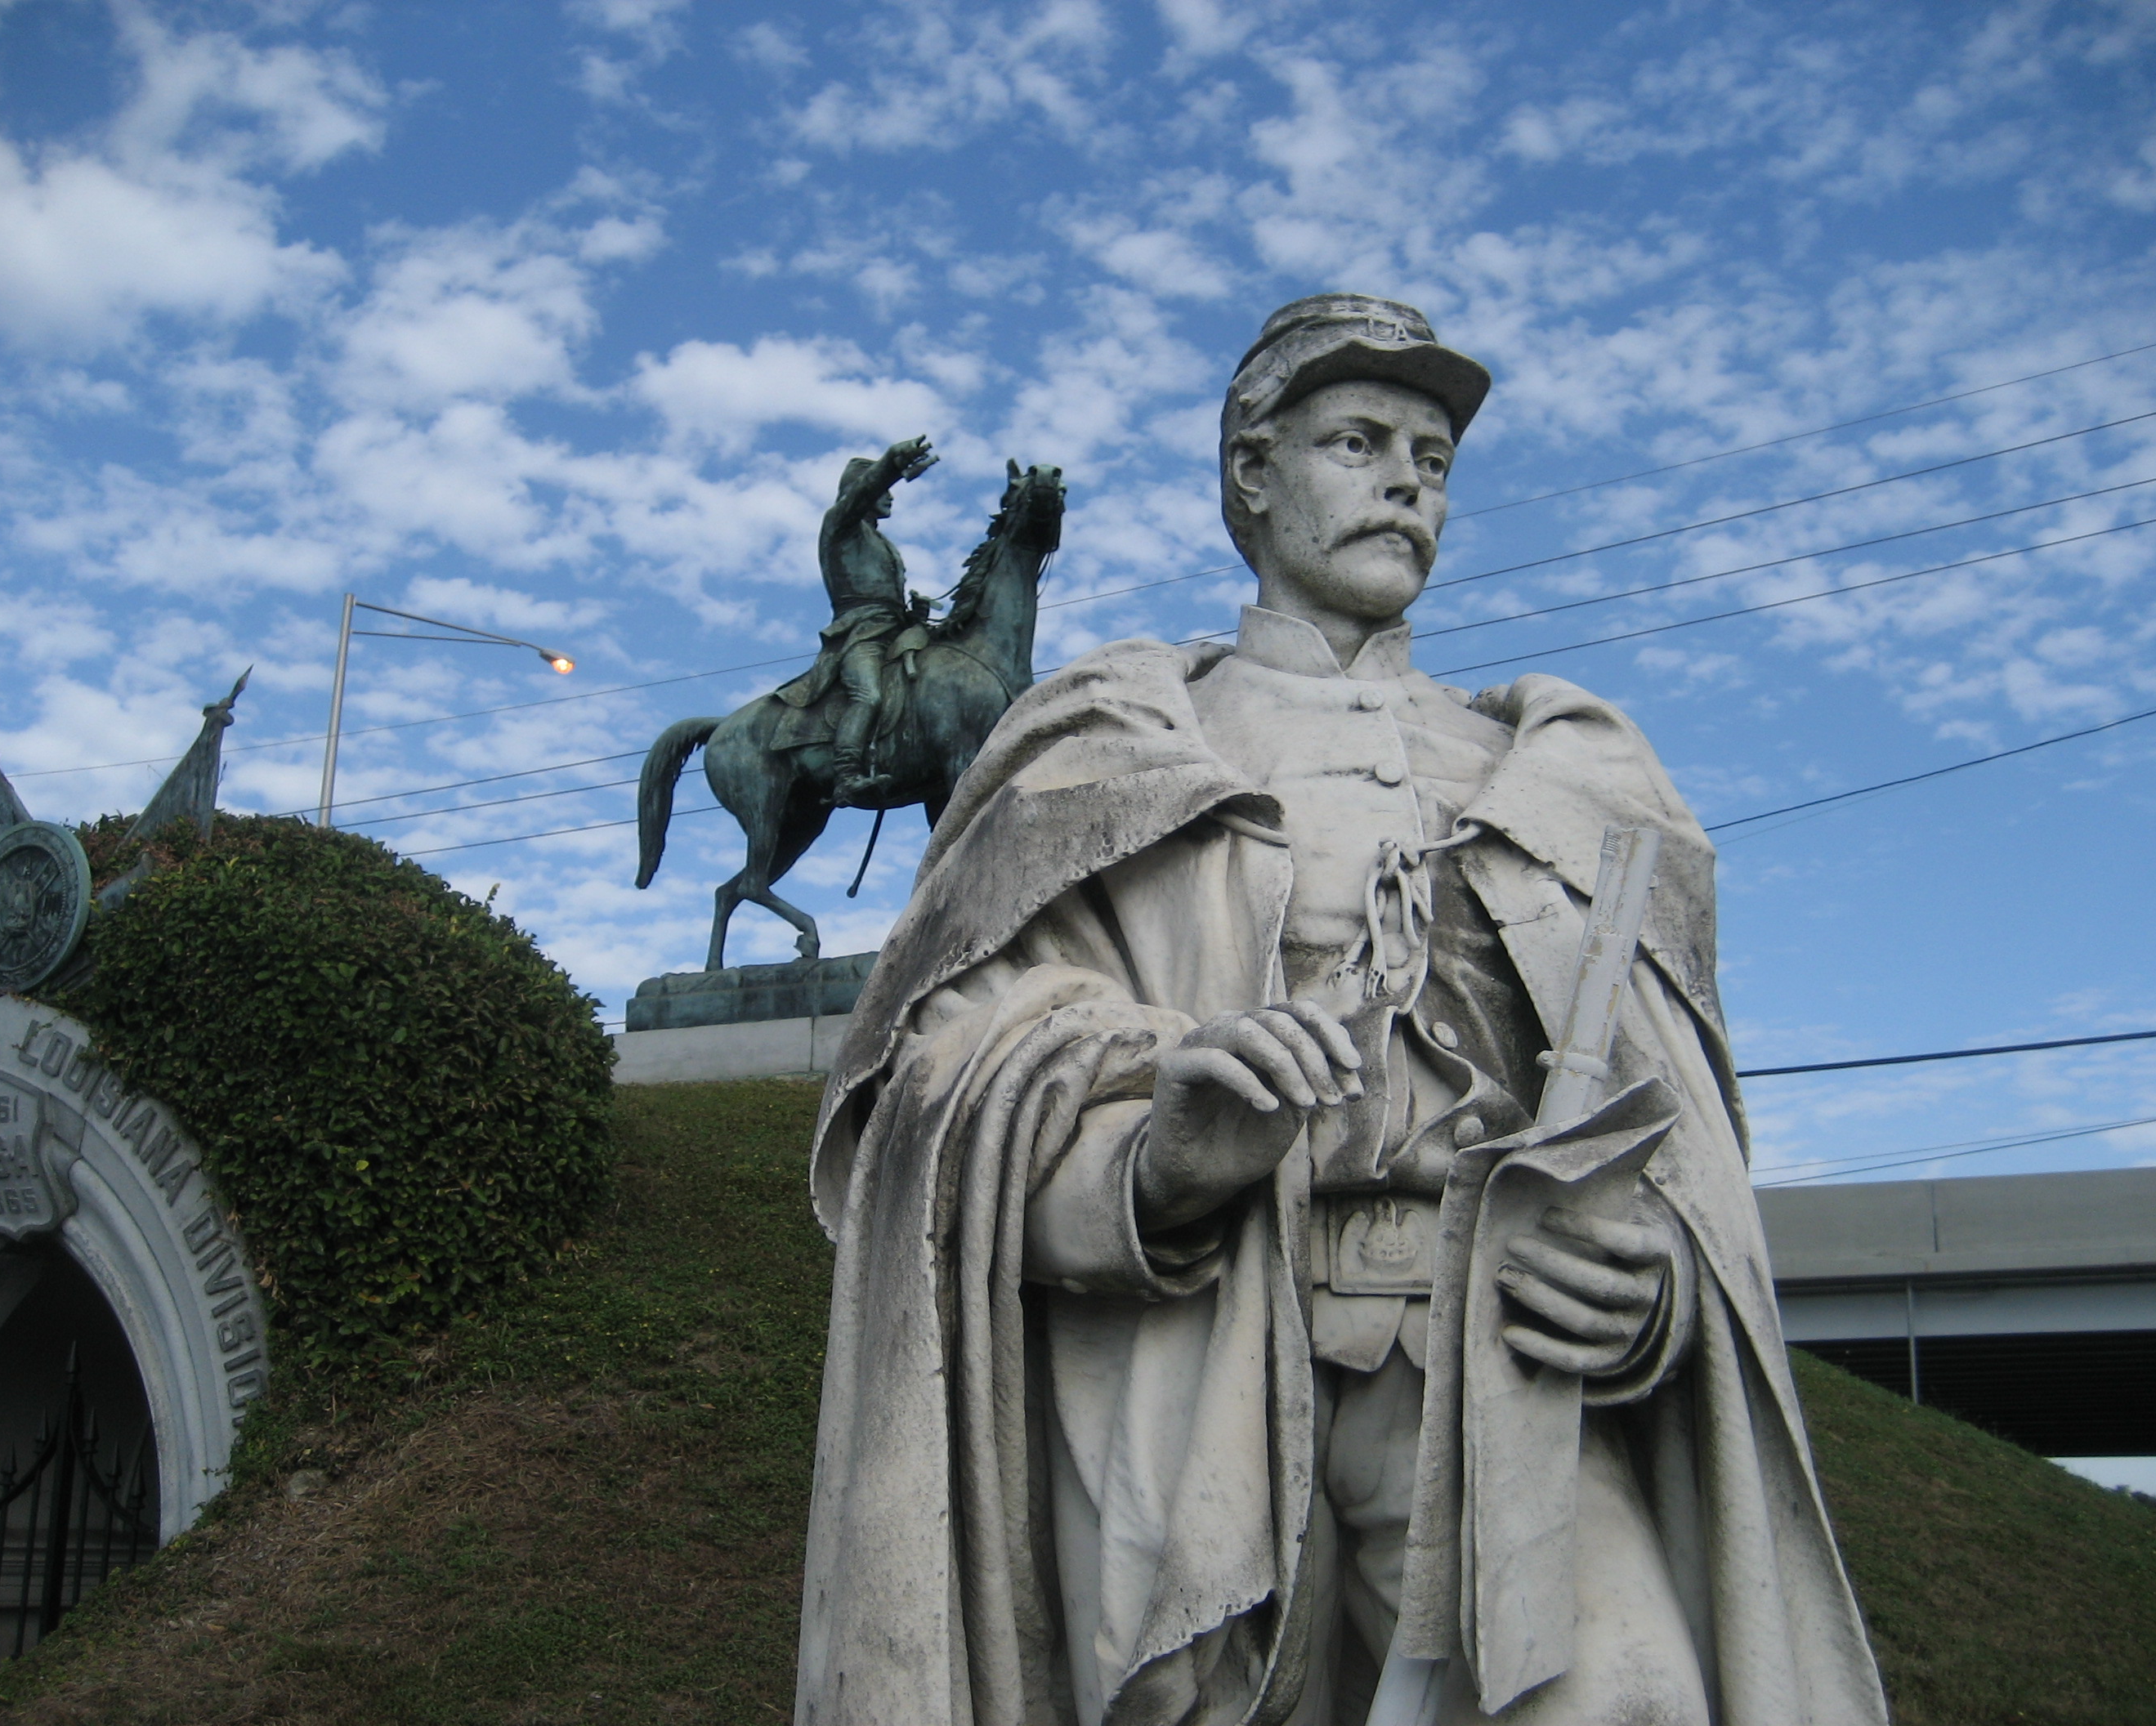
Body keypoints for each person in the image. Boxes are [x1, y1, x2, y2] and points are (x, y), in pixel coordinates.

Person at [796, 297, 1888, 1725]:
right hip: (1186, 1396)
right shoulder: (1110, 748)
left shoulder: (1565, 776)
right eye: (1358, 441)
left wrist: (1655, 1291)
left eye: (1431, 459)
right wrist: (1154, 1167)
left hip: (1500, 1371)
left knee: (1629, 1697)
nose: (1406, 483)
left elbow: (1671, 1137)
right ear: (1253, 473)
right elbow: (941, 1099)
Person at [795, 434, 940, 807]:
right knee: (868, 695)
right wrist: (893, 464)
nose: (889, 496)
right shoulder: (840, 526)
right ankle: (846, 776)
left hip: (893, 631)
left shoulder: (883, 543)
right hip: (858, 634)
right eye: (881, 489)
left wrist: (914, 614)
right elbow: (862, 493)